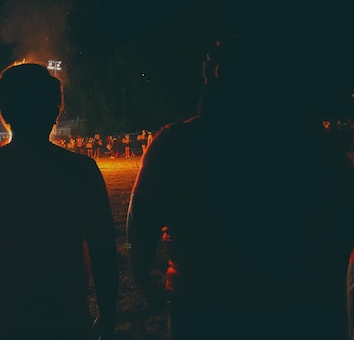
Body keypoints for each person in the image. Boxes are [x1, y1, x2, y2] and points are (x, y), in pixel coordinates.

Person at [126, 35, 354, 340]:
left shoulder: (176, 142)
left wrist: (142, 275)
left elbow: (141, 217)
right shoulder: (312, 140)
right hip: (300, 303)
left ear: (214, 78)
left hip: (205, 304)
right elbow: (345, 213)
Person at [0, 63, 119, 340]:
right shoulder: (81, 171)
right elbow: (104, 252)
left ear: (3, 112)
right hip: (67, 324)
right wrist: (108, 318)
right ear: (56, 110)